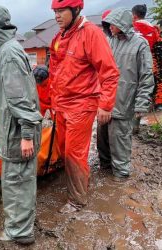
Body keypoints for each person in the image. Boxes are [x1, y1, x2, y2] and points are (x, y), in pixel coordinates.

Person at [0, 4, 43, 245]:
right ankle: (20, 226)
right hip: (14, 132)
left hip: (18, 134)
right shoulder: (11, 49)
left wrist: (26, 134)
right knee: (17, 182)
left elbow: (21, 98)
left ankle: (20, 233)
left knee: (18, 183)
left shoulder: (9, 53)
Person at [49, 0, 119, 213]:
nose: (57, 16)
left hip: (82, 104)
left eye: (61, 11)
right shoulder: (59, 37)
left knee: (74, 152)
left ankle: (77, 200)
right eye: (55, 11)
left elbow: (109, 72)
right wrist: (52, 104)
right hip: (61, 104)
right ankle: (74, 183)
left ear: (76, 10)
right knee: (62, 147)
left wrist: (106, 105)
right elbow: (54, 73)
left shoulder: (91, 34)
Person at [98, 8, 154, 181]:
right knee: (102, 143)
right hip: (105, 102)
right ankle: (105, 174)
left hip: (124, 103)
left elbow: (146, 74)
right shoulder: (108, 41)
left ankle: (120, 178)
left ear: (122, 23)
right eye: (108, 24)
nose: (110, 27)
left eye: (113, 24)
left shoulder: (140, 43)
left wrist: (141, 103)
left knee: (120, 143)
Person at [131, 4, 160, 133]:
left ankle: (133, 125)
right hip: (151, 68)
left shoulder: (132, 29)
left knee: (132, 94)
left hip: (133, 67)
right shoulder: (154, 30)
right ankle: (140, 121)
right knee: (146, 94)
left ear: (134, 15)